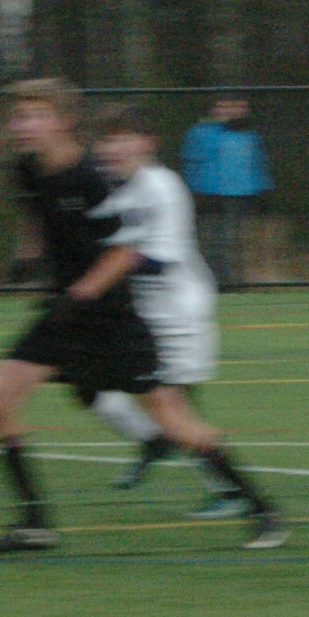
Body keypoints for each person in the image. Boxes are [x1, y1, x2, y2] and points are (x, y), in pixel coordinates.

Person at [0, 79, 286, 553]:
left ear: (64, 122)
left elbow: (125, 250)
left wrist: (80, 294)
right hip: (65, 315)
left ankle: (263, 510)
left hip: (112, 319)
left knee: (173, 421)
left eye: (35, 115)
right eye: (18, 116)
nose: (22, 125)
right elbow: (36, 215)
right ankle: (34, 523)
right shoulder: (26, 168)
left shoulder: (90, 178)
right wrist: (26, 258)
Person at [81, 105, 246, 517]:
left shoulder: (161, 186)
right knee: (90, 383)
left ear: (148, 143)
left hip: (176, 312)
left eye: (123, 138)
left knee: (174, 406)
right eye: (106, 140)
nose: (112, 148)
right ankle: (154, 441)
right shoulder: (113, 188)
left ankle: (229, 490)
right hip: (138, 312)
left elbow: (157, 261)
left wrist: (98, 269)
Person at [181, 96, 270, 289]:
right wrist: (193, 190)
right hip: (211, 194)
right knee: (215, 240)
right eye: (227, 106)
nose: (233, 111)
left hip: (242, 195)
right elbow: (191, 162)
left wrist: (261, 188)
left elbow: (257, 165)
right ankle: (218, 281)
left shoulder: (250, 135)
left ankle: (235, 282)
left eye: (238, 106)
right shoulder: (201, 133)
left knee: (236, 241)